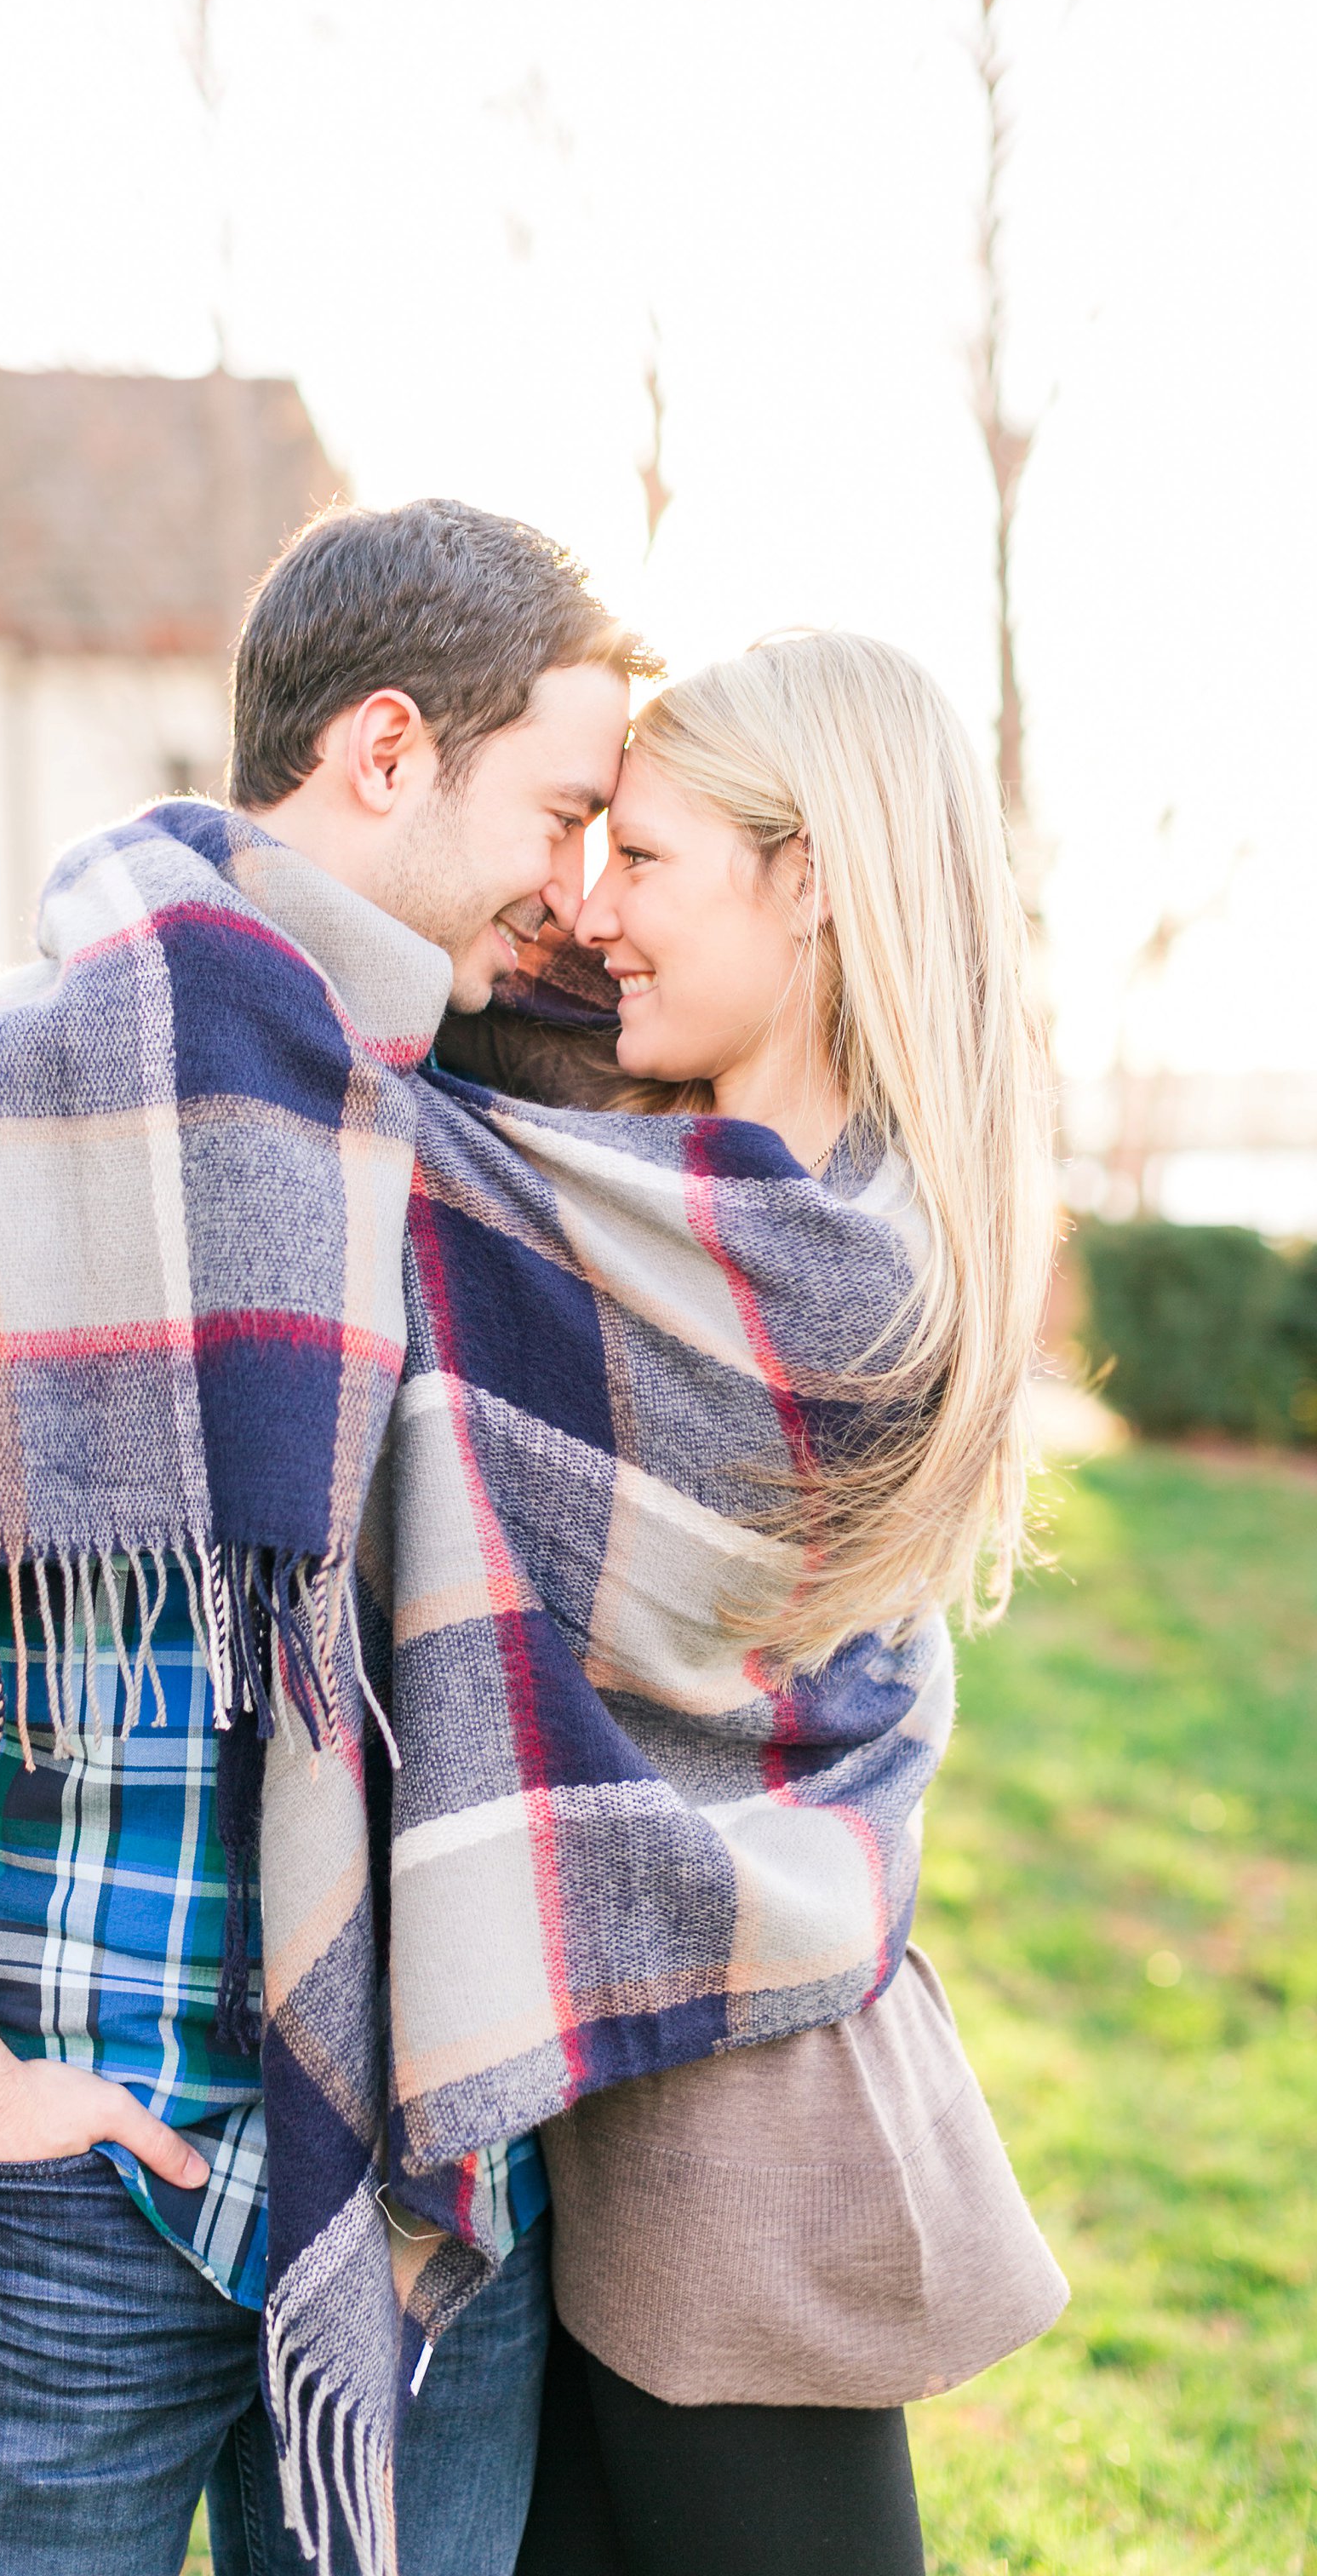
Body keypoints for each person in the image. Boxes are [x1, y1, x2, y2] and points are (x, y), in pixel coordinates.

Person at [0, 498, 650, 2576]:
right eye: (560, 807)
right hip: (44, 2203)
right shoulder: (3, 1094)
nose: (577, 886)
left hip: (436, 2208)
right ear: (384, 756)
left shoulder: (517, 1137)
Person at [470, 634, 1068, 2576]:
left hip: (744, 2130)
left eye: (642, 859)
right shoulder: (718, 1188)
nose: (591, 909)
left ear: (807, 879)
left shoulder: (795, 1278)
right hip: (599, 2090)